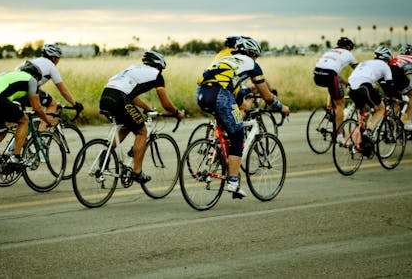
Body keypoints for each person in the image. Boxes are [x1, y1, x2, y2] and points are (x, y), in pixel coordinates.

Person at [196, 36, 290, 198]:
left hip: (201, 94)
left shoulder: (227, 59)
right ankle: (233, 181)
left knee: (225, 127)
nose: (256, 59)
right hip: (220, 95)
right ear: (252, 53)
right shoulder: (252, 64)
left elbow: (232, 87)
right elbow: (267, 96)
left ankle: (219, 152)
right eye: (256, 56)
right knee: (238, 134)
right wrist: (281, 107)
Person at [99, 50, 185, 183]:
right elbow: (166, 103)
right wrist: (176, 112)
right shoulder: (156, 75)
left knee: (127, 126)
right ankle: (137, 172)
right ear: (158, 66)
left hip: (106, 97)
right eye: (161, 69)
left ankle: (107, 153)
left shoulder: (134, 68)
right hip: (120, 99)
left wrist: (147, 108)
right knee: (142, 131)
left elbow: (131, 96)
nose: (160, 71)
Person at [0, 61, 54, 168]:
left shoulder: (10, 75)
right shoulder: (31, 80)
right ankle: (16, 157)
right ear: (35, 75)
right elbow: (37, 108)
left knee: (1, 132)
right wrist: (48, 121)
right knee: (24, 120)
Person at [17, 44, 83, 129]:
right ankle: (42, 135)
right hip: (25, 90)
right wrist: (75, 104)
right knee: (52, 104)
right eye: (58, 58)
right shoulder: (51, 66)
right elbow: (63, 91)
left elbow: (35, 86)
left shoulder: (33, 61)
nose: (58, 61)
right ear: (54, 58)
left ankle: (25, 139)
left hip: (13, 91)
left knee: (24, 121)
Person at [347, 45, 399, 155]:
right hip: (364, 86)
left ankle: (359, 143)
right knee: (380, 109)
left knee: (365, 111)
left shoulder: (365, 62)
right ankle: (368, 133)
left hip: (350, 87)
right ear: (387, 59)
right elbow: (389, 86)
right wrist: (397, 97)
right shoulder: (385, 67)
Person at [313, 37, 358, 136]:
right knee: (340, 103)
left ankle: (329, 109)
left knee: (332, 85)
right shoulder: (348, 54)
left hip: (316, 75)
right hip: (330, 75)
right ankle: (339, 134)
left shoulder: (330, 52)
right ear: (347, 47)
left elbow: (336, 75)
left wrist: (346, 83)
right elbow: (359, 70)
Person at [390, 44, 412, 131]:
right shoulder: (411, 59)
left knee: (397, 99)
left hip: (387, 73)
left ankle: (390, 123)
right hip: (396, 72)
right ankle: (408, 123)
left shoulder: (397, 57)